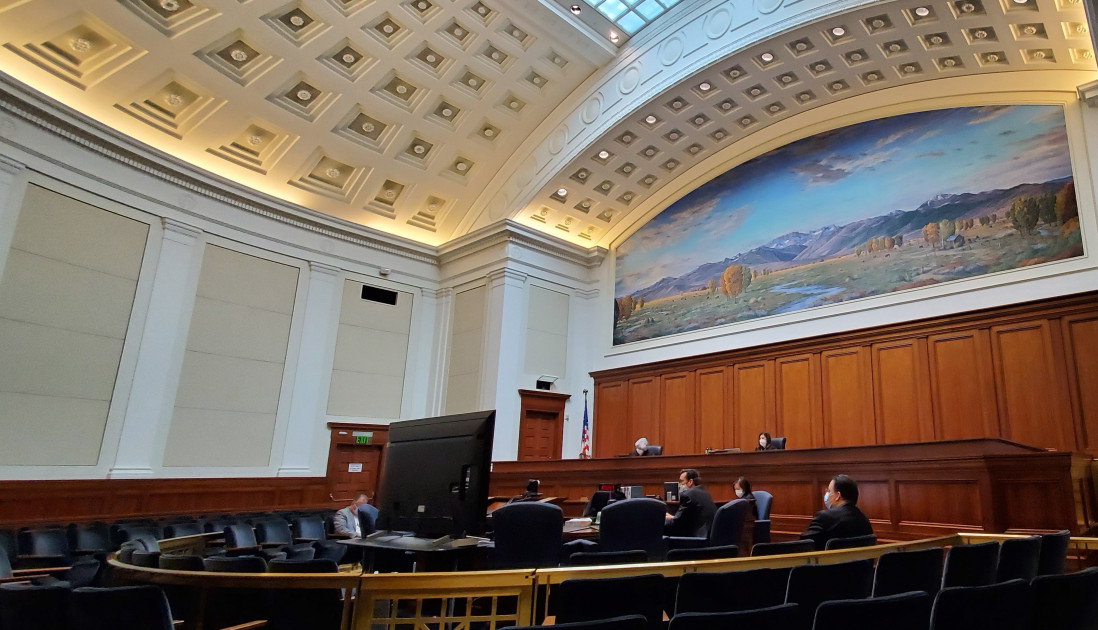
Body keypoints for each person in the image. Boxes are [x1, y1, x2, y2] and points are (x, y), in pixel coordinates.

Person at [799, 474, 873, 550]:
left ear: (838, 495)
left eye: (829, 491)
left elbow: (802, 546)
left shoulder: (824, 517)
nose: (827, 495)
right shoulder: (864, 520)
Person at [665, 468, 717, 537]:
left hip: (693, 539)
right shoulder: (704, 492)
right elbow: (685, 519)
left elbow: (677, 524)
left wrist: (665, 518)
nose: (679, 484)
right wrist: (673, 517)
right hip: (706, 535)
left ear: (690, 481)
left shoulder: (688, 495)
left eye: (681, 481)